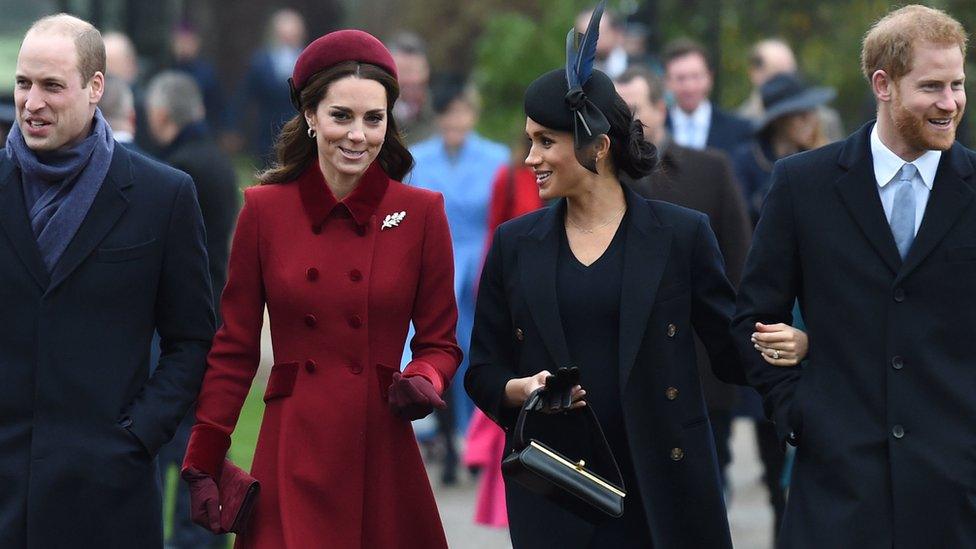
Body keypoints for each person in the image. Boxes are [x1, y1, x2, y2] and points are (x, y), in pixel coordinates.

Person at [465, 6, 786, 547]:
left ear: (597, 145)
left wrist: (794, 352)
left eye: (546, 141)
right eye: (529, 141)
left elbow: (730, 348)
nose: (530, 158)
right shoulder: (515, 245)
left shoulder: (681, 235)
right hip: (560, 485)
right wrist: (521, 390)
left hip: (665, 481)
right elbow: (483, 369)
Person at [182, 30, 462, 547]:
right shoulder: (264, 211)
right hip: (293, 447)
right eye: (341, 116)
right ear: (310, 117)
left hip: (380, 446)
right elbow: (235, 348)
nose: (358, 135)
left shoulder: (423, 213)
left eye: (373, 119)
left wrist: (424, 376)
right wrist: (204, 457)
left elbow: (440, 343)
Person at [734, 5, 976, 547]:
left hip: (956, 498)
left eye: (958, 84)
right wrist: (798, 413)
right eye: (932, 86)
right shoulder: (802, 185)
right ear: (883, 84)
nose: (950, 103)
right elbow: (751, 319)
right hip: (836, 494)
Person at [0, 14, 214, 547]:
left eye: (52, 86)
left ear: (97, 87)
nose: (31, 102)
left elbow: (191, 339)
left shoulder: (162, 196)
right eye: (24, 83)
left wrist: (138, 436)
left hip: (107, 498)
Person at [615, 66, 754, 489]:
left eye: (634, 109)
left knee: (707, 486)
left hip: (702, 366)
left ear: (661, 107)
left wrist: (732, 345)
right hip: (631, 371)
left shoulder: (711, 169)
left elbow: (739, 262)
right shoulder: (605, 183)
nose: (625, 122)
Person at [146, 71, 239, 549]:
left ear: (161, 116)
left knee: (182, 444)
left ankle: (193, 537)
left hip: (187, 320)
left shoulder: (179, 171)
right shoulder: (218, 162)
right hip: (215, 311)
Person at [407, 79, 508, 484]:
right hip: (434, 267)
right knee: (434, 350)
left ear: (473, 113)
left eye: (462, 111)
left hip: (482, 268)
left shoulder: (497, 157)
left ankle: (476, 440)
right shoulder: (416, 159)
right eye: (447, 113)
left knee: (476, 353)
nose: (454, 120)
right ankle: (445, 443)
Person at [732, 72, 836, 224]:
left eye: (811, 112)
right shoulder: (747, 159)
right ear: (779, 120)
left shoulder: (817, 156)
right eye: (800, 114)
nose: (809, 121)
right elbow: (744, 216)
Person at [225, 8, 306, 164]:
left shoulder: (308, 61)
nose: (288, 39)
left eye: (292, 34)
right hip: (267, 134)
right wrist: (233, 127)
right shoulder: (261, 62)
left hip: (300, 133)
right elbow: (244, 95)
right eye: (284, 34)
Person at [738, 38, 845, 143]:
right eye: (778, 74)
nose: (787, 82)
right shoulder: (741, 123)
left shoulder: (825, 120)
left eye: (790, 73)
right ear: (754, 73)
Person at [663, 38, 752, 157]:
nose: (690, 87)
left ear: (710, 78)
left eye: (696, 76)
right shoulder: (655, 130)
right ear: (666, 82)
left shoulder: (739, 130)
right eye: (681, 78)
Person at [388, 31, 436, 145]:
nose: (414, 79)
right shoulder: (373, 115)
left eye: (419, 71)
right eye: (405, 71)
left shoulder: (441, 111)